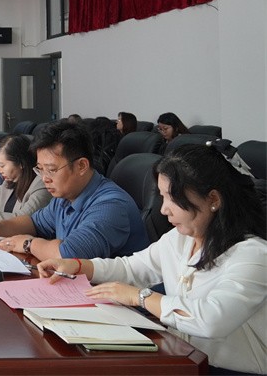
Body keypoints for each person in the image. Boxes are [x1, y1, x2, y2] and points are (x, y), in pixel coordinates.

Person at [38, 144, 267, 375]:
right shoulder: (180, 238)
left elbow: (211, 320)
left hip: (232, 370)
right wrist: (79, 266)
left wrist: (140, 297)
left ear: (213, 199)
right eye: (162, 197)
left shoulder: (253, 254)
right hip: (183, 356)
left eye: (172, 198)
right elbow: (131, 268)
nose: (164, 210)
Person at [0, 119, 149, 261]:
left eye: (51, 170)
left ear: (81, 166)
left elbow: (68, 254)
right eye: (40, 169)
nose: (44, 178)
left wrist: (27, 244)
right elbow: (34, 223)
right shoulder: (65, 196)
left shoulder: (111, 206)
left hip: (116, 291)